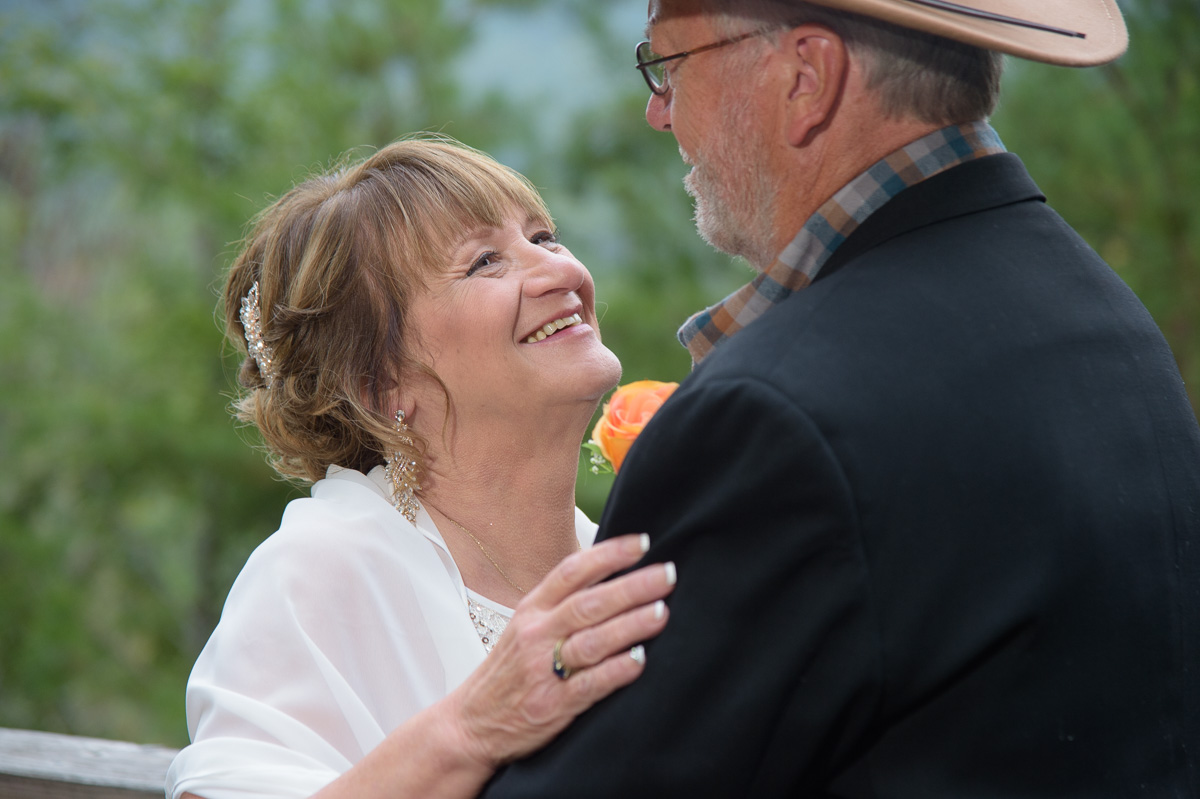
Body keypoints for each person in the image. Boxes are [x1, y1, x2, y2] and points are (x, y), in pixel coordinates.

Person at [481, 0, 1200, 796]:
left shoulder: (773, 418)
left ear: (807, 79)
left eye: (669, 65)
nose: (658, 112)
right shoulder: (1107, 322)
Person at [164, 136, 678, 799]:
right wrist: (471, 729)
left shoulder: (620, 560)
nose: (563, 271)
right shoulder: (322, 566)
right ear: (379, 384)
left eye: (544, 237)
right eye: (485, 261)